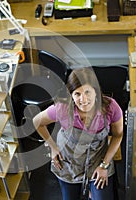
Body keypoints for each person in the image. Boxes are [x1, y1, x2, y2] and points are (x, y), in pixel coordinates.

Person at [32, 67, 123, 200]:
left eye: (87, 92)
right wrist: (52, 147)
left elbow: (118, 135)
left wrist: (104, 165)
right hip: (69, 161)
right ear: (71, 95)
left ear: (96, 91)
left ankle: (92, 190)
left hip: (97, 159)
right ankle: (88, 189)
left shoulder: (110, 107)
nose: (83, 99)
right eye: (77, 94)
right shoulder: (62, 108)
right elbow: (37, 122)